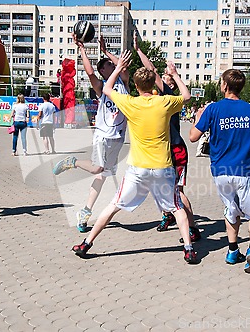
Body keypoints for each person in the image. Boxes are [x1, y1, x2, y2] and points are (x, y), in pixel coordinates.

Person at [71, 52, 198, 264]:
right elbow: (186, 96)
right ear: (153, 87)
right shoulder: (164, 102)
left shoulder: (130, 102)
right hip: (162, 167)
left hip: (138, 168)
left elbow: (107, 89)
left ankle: (87, 243)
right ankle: (188, 249)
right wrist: (174, 75)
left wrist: (119, 67)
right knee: (176, 208)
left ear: (137, 87)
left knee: (113, 206)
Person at [189, 69, 250, 273]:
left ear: (225, 85)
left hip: (221, 171)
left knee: (231, 210)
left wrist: (197, 117)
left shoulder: (213, 109)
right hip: (245, 170)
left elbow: (192, 137)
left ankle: (232, 251)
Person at [52, 34, 129, 233]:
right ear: (103, 71)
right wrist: (83, 49)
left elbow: (123, 67)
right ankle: (73, 161)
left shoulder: (124, 84)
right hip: (103, 135)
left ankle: (85, 211)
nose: (111, 67)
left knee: (102, 176)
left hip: (118, 137)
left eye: (111, 65)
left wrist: (106, 52)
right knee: (97, 169)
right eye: (106, 66)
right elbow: (89, 72)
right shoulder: (102, 87)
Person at [133, 31, 200, 241]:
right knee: (161, 187)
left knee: (177, 192)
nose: (161, 77)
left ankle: (193, 227)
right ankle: (168, 216)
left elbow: (151, 70)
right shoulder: (161, 96)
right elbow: (151, 70)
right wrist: (138, 50)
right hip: (162, 151)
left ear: (170, 83)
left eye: (166, 76)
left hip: (176, 149)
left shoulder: (170, 96)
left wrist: (139, 51)